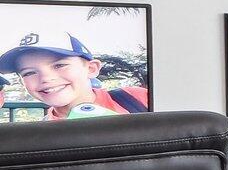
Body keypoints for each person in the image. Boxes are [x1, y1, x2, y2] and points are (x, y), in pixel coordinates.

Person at [0, 28, 150, 120]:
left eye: (59, 65)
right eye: (29, 73)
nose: (46, 78)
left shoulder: (137, 98)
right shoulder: (40, 136)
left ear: (91, 68)